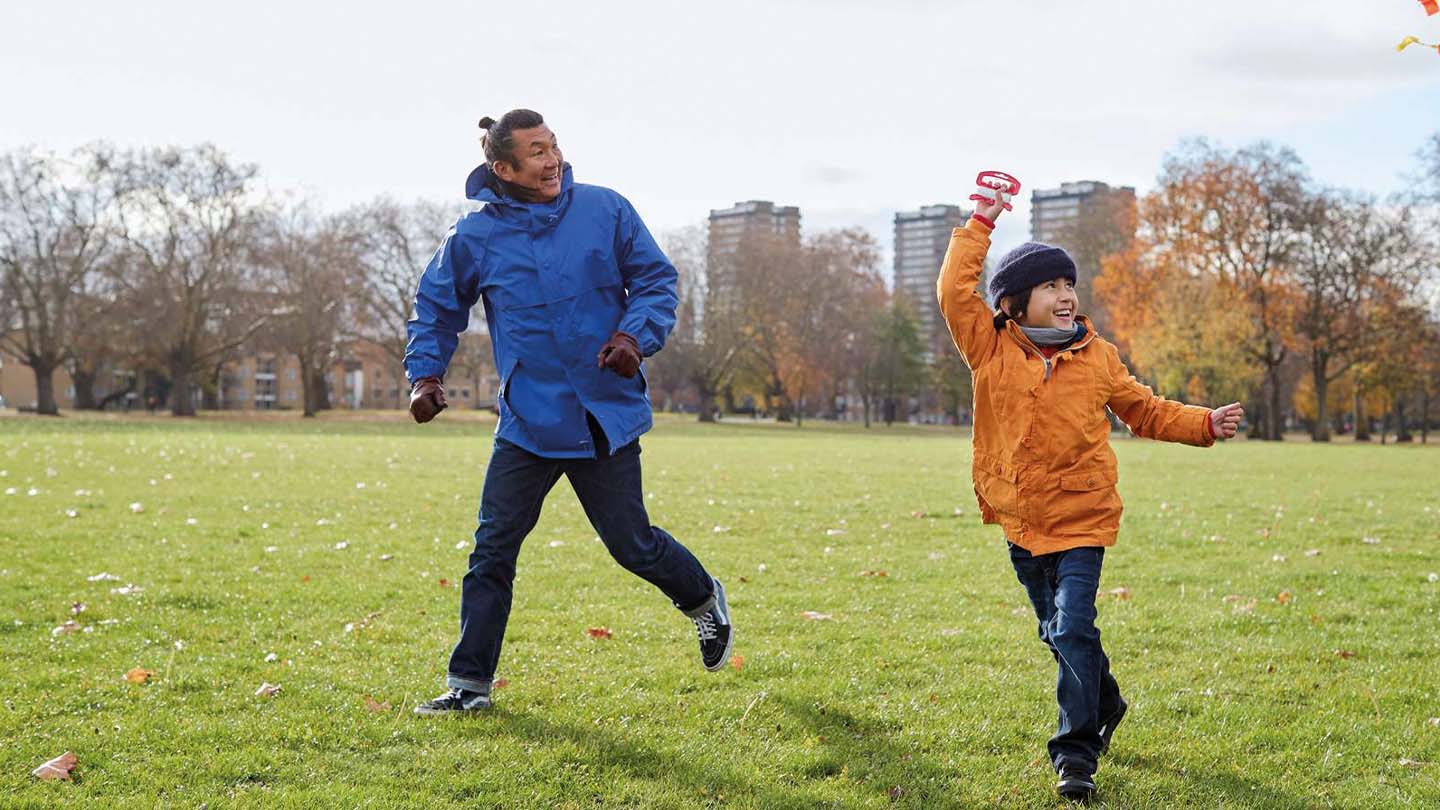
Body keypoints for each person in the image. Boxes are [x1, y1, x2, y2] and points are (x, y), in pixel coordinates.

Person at [405, 109, 733, 715]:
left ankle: (703, 600)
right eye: (535, 152)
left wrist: (634, 339)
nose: (551, 159)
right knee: (492, 552)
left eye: (553, 146)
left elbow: (657, 282)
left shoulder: (606, 210)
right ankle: (469, 686)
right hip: (528, 423)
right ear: (502, 168)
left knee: (632, 546)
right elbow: (435, 306)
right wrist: (424, 374)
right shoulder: (475, 237)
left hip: (602, 416)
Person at [936, 187, 1243, 800]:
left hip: (1083, 519)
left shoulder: (1097, 355)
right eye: (1050, 286)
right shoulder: (989, 347)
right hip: (1022, 521)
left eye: (1068, 284)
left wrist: (1202, 424)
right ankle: (1107, 698)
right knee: (1056, 632)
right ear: (1013, 303)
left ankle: (1075, 754)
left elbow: (1145, 410)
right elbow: (952, 291)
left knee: (1072, 628)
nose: (1065, 294)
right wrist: (981, 221)